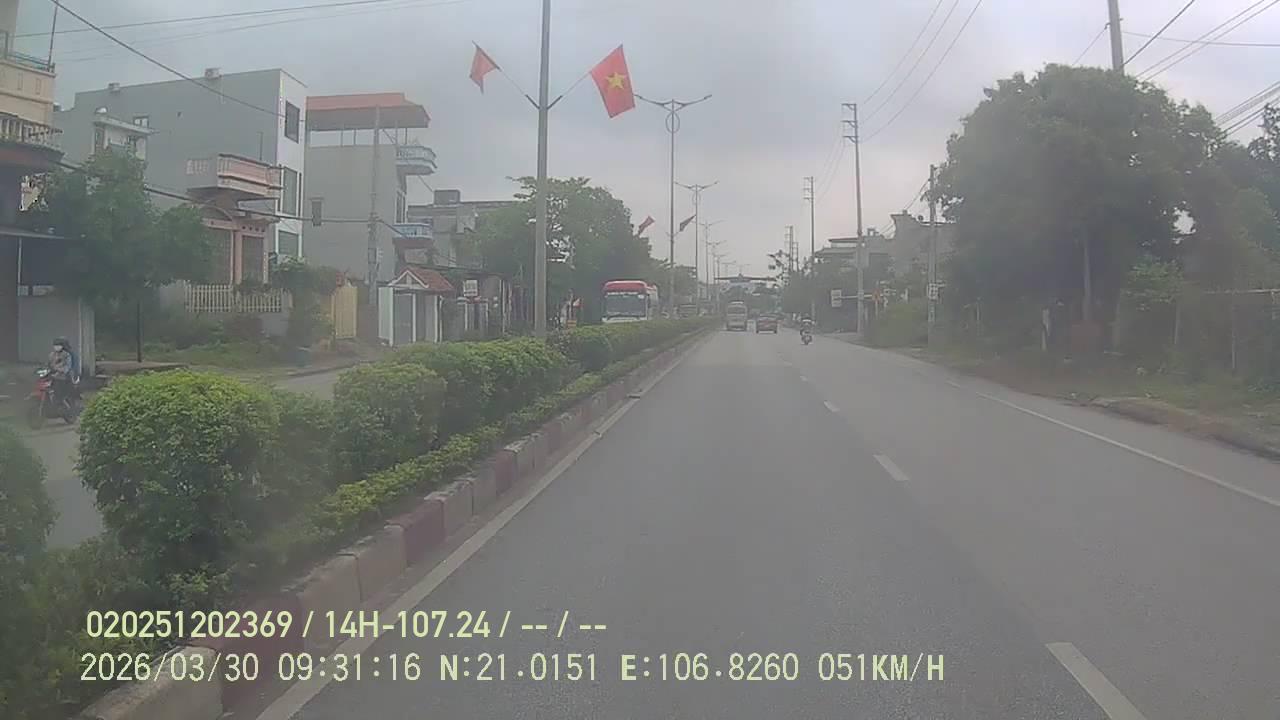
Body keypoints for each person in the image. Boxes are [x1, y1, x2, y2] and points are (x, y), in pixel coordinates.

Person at [47, 337, 79, 404]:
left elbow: (69, 367)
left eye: (59, 345)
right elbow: (49, 364)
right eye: (55, 345)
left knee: (61, 391)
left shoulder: (67, 354)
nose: (57, 347)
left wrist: (61, 370)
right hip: (54, 375)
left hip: (65, 376)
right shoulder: (52, 354)